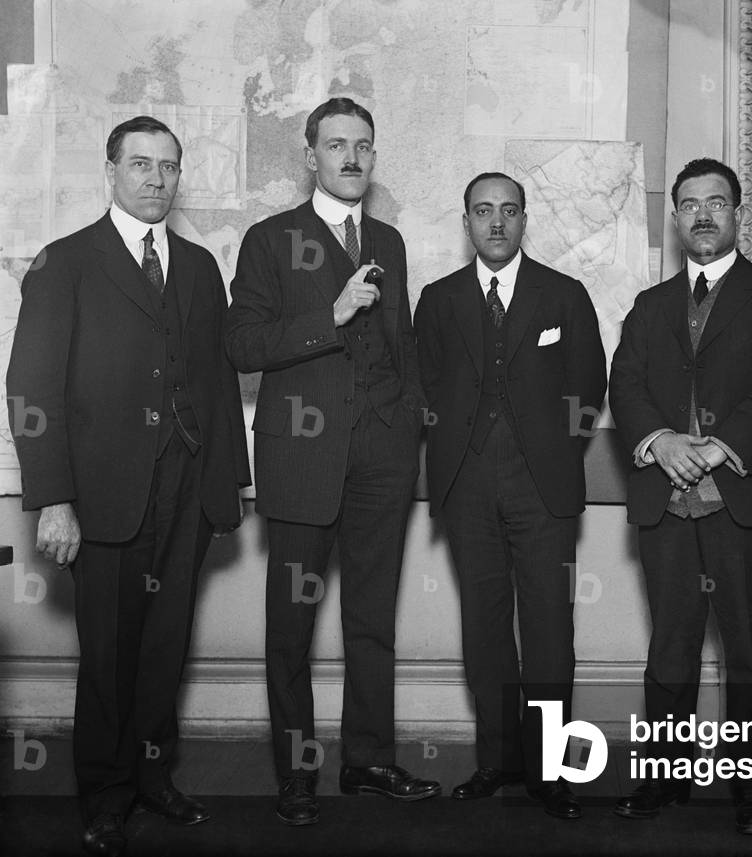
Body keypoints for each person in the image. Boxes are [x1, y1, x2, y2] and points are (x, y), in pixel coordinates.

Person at [6, 115, 250, 856]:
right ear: (110, 170)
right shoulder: (64, 262)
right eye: (140, 164)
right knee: (108, 653)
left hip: (185, 491)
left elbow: (215, 380)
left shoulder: (202, 268)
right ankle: (105, 794)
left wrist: (227, 485)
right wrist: (53, 496)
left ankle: (153, 778)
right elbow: (32, 386)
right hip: (101, 495)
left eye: (168, 166)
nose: (156, 178)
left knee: (164, 644)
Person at [224, 97, 438, 827]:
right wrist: (333, 315)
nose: (352, 157)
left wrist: (408, 424)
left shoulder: (391, 239)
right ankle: (296, 775)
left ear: (373, 158)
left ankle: (368, 760)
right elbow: (242, 345)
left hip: (383, 456)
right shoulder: (269, 239)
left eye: (363, 146)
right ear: (309, 155)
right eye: (336, 144)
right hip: (302, 460)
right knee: (292, 627)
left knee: (372, 620)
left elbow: (403, 345)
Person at [608, 158, 752, 834]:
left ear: (737, 212)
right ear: (675, 216)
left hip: (741, 501)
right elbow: (625, 384)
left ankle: (751, 789)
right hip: (664, 504)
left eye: (716, 203)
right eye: (690, 203)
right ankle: (663, 776)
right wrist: (661, 440)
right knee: (669, 648)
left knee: (749, 652)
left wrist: (721, 448)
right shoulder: (648, 306)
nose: (702, 215)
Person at [414, 172, 606, 819]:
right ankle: (497, 761)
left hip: (543, 491)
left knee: (550, 631)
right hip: (466, 489)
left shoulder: (565, 295)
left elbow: (588, 387)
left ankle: (552, 771)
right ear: (465, 220)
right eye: (482, 211)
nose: (496, 222)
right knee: (485, 632)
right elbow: (427, 387)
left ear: (525, 219)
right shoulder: (437, 300)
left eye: (508, 211)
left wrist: (556, 457)